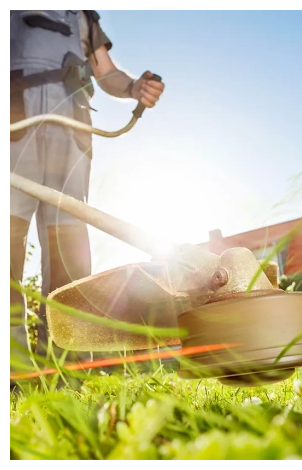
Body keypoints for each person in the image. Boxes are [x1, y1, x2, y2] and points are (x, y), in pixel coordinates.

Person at [10, 10, 165, 366]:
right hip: (14, 120)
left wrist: (133, 87)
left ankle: (69, 370)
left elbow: (106, 71)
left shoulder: (80, 16)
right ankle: (13, 372)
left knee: (69, 250)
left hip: (71, 125)